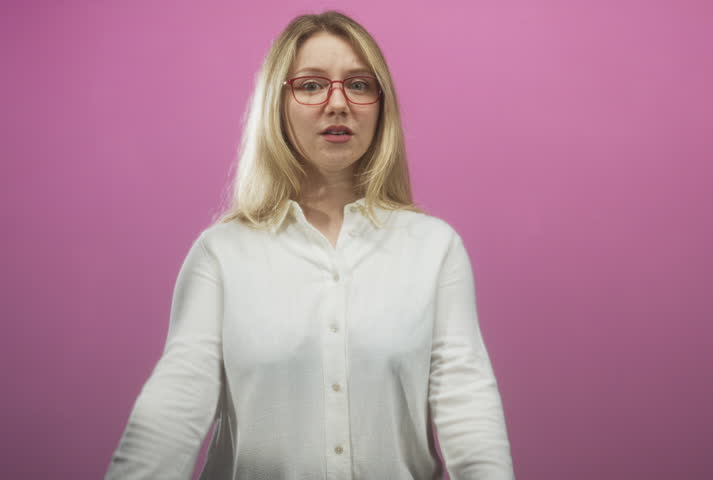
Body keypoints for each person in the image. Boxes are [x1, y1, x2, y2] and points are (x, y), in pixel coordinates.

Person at [105, 10, 514, 480]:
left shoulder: (435, 249)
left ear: (382, 105)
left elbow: (468, 407)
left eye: (358, 85)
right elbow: (174, 410)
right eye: (312, 84)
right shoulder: (221, 255)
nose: (338, 103)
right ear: (277, 103)